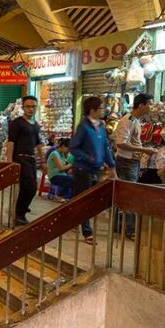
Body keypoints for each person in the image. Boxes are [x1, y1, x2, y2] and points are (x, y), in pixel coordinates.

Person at [70, 96, 117, 243]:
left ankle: (72, 217)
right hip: (82, 169)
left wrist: (112, 165)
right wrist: (89, 158)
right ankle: (87, 231)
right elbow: (73, 147)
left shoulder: (101, 128)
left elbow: (105, 147)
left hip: (96, 169)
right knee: (86, 200)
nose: (104, 110)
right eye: (101, 108)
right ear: (93, 110)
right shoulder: (83, 127)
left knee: (86, 199)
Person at [113, 94, 156, 240]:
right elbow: (120, 143)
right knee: (130, 195)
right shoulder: (128, 121)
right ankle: (130, 230)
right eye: (149, 104)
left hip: (132, 162)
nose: (151, 106)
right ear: (141, 105)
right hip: (126, 162)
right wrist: (144, 150)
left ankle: (119, 227)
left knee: (124, 195)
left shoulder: (136, 120)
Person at [4, 96, 42, 226]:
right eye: (28, 106)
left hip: (31, 160)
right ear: (23, 107)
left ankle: (20, 212)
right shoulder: (17, 123)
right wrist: (9, 161)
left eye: (33, 106)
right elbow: (11, 142)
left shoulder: (36, 125)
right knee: (29, 187)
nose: (31, 109)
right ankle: (19, 213)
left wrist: (43, 162)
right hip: (20, 158)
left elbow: (38, 145)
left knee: (32, 188)